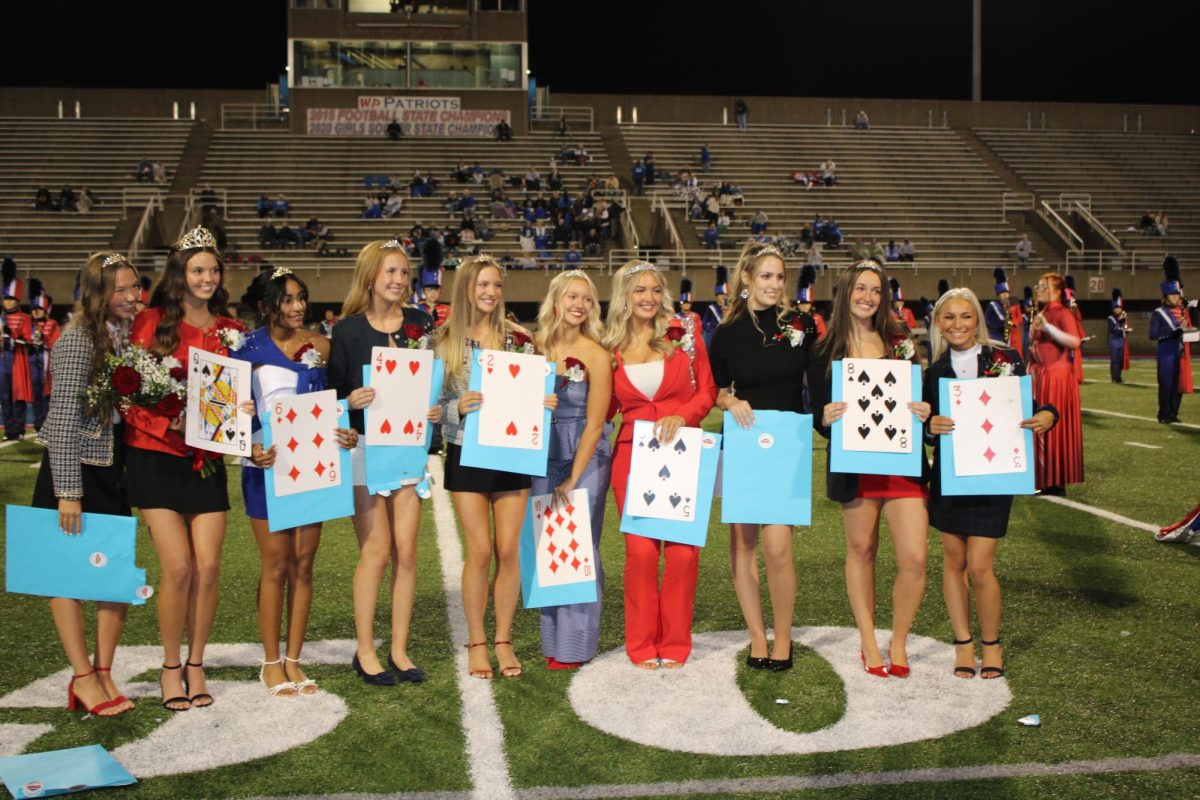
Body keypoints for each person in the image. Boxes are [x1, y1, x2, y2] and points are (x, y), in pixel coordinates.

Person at [124, 226, 244, 710]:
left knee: (209, 567)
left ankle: (197, 664)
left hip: (206, 461)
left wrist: (238, 416)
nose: (208, 277)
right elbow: (128, 390)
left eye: (214, 270)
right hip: (154, 456)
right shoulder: (150, 321)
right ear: (180, 274)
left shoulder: (227, 329)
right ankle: (170, 665)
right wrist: (167, 422)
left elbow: (230, 399)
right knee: (177, 569)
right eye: (198, 269)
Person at [924, 288, 1058, 681]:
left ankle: (991, 644)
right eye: (948, 317)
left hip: (992, 476)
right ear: (937, 324)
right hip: (949, 476)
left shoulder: (1006, 359)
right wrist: (929, 427)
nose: (957, 325)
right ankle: (963, 644)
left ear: (977, 320)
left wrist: (1048, 414)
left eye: (965, 316)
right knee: (954, 561)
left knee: (980, 566)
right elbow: (925, 429)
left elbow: (1030, 406)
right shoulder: (932, 373)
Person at [236, 268, 356, 698]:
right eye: (287, 299)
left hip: (313, 469)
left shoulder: (323, 346)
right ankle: (270, 661)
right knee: (276, 565)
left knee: (304, 565)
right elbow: (229, 415)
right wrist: (248, 449)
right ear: (267, 305)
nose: (297, 306)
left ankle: (294, 659)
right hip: (265, 470)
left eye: (301, 297)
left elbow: (340, 406)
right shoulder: (244, 349)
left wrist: (349, 431)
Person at [436, 255, 556, 680]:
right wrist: (456, 406)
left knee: (508, 550)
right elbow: (430, 411)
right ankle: (476, 640)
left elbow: (535, 393)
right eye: (482, 285)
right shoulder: (443, 341)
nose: (490, 292)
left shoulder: (519, 340)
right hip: (467, 453)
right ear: (466, 289)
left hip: (512, 455)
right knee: (481, 550)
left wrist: (545, 402)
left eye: (496, 286)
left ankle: (503, 638)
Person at [32, 252, 141, 716]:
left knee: (114, 577)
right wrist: (68, 492)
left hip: (111, 463)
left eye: (135, 287)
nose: (132, 297)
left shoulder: (125, 336)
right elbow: (60, 422)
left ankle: (104, 672)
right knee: (68, 576)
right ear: (97, 292)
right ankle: (81, 676)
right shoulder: (77, 340)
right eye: (121, 289)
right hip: (77, 469)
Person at [329, 241, 441, 686]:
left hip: (408, 452)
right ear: (371, 276)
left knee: (408, 552)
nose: (397, 280)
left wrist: (434, 408)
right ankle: (365, 650)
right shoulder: (348, 330)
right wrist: (349, 400)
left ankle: (399, 648)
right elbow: (332, 398)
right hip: (365, 451)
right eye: (389, 271)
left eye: (403, 272)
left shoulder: (421, 322)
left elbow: (432, 381)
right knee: (376, 552)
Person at [813, 261, 931, 677]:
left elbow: (924, 395)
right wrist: (824, 418)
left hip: (901, 463)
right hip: (856, 466)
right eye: (860, 288)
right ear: (846, 292)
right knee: (862, 551)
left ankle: (898, 639)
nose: (868, 297)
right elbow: (815, 414)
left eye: (876, 290)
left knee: (914, 559)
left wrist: (924, 409)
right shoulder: (825, 349)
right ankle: (867, 639)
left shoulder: (899, 343)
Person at [603, 261, 717, 669]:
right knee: (642, 554)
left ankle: (675, 643)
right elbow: (606, 404)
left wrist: (682, 416)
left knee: (684, 555)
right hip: (632, 459)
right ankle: (640, 643)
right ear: (624, 297)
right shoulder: (609, 346)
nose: (648, 297)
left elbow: (707, 391)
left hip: (683, 455)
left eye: (654, 289)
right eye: (639, 290)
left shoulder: (685, 336)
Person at [708, 242, 816, 671]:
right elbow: (715, 390)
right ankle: (757, 635)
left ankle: (784, 637)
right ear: (747, 279)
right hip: (745, 445)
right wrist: (728, 402)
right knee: (743, 545)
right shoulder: (727, 333)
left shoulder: (801, 326)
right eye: (765, 276)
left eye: (779, 276)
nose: (773, 284)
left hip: (786, 448)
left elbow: (819, 378)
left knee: (778, 549)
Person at [530, 271, 612, 668]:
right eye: (572, 296)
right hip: (541, 453)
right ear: (556, 300)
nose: (579, 305)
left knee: (579, 545)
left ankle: (575, 645)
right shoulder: (535, 348)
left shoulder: (597, 354)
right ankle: (552, 639)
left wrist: (573, 478)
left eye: (587, 299)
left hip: (586, 455)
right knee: (549, 545)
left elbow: (596, 424)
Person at [1028, 272, 1083, 493]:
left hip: (1055, 377)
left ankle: (1054, 480)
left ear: (1058, 292)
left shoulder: (1061, 312)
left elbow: (1075, 342)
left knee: (1051, 426)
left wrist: (1048, 327)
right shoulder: (1043, 312)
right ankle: (1042, 477)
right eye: (1038, 285)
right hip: (1041, 374)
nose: (1039, 289)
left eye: (1044, 286)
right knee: (1038, 424)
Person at [1149, 263, 1188, 424]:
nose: (1174, 297)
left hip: (1178, 353)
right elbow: (1152, 334)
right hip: (1165, 353)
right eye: (1171, 295)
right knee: (1165, 385)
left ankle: (1173, 413)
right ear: (1165, 297)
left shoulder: (1181, 312)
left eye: (1176, 294)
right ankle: (1163, 414)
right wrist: (1172, 332)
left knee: (1176, 386)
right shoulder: (1159, 313)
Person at [2, 266, 32, 440]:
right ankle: (9, 430)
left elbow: (28, 340)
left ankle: (19, 429)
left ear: (17, 301)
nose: (9, 303)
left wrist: (11, 338)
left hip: (17, 361)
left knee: (18, 397)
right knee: (4, 398)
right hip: (2, 360)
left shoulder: (25, 318)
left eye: (12, 299)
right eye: (6, 299)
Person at [27, 280, 61, 431]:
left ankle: (49, 422)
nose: (36, 312)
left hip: (47, 363)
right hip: (32, 361)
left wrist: (44, 339)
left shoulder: (52, 323)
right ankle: (38, 422)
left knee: (48, 394)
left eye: (39, 309)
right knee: (35, 394)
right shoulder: (28, 322)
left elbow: (56, 343)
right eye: (34, 309)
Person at [795, 265, 826, 341]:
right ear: (797, 304)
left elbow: (823, 336)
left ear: (811, 304)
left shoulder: (817, 319)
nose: (804, 306)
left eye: (807, 303)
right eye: (801, 303)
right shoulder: (793, 318)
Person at [1107, 289, 1131, 384]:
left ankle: (1119, 376)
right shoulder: (1111, 318)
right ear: (1113, 309)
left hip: (1122, 340)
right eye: (1117, 308)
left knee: (1120, 360)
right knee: (1115, 360)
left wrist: (1126, 327)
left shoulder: (1123, 317)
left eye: (1120, 308)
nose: (1119, 310)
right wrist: (1120, 321)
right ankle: (1114, 377)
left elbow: (1125, 327)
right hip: (1114, 341)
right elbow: (1113, 329)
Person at [701, 267, 728, 348]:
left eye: (725, 295)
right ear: (716, 296)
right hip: (713, 337)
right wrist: (713, 330)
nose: (723, 297)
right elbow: (704, 324)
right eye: (720, 295)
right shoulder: (711, 308)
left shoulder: (730, 308)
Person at [984, 269, 1012, 344]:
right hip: (993, 338)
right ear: (998, 295)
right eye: (1002, 293)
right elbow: (1002, 320)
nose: (1005, 295)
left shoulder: (1006, 306)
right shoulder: (993, 305)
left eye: (1007, 292)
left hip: (1003, 339)